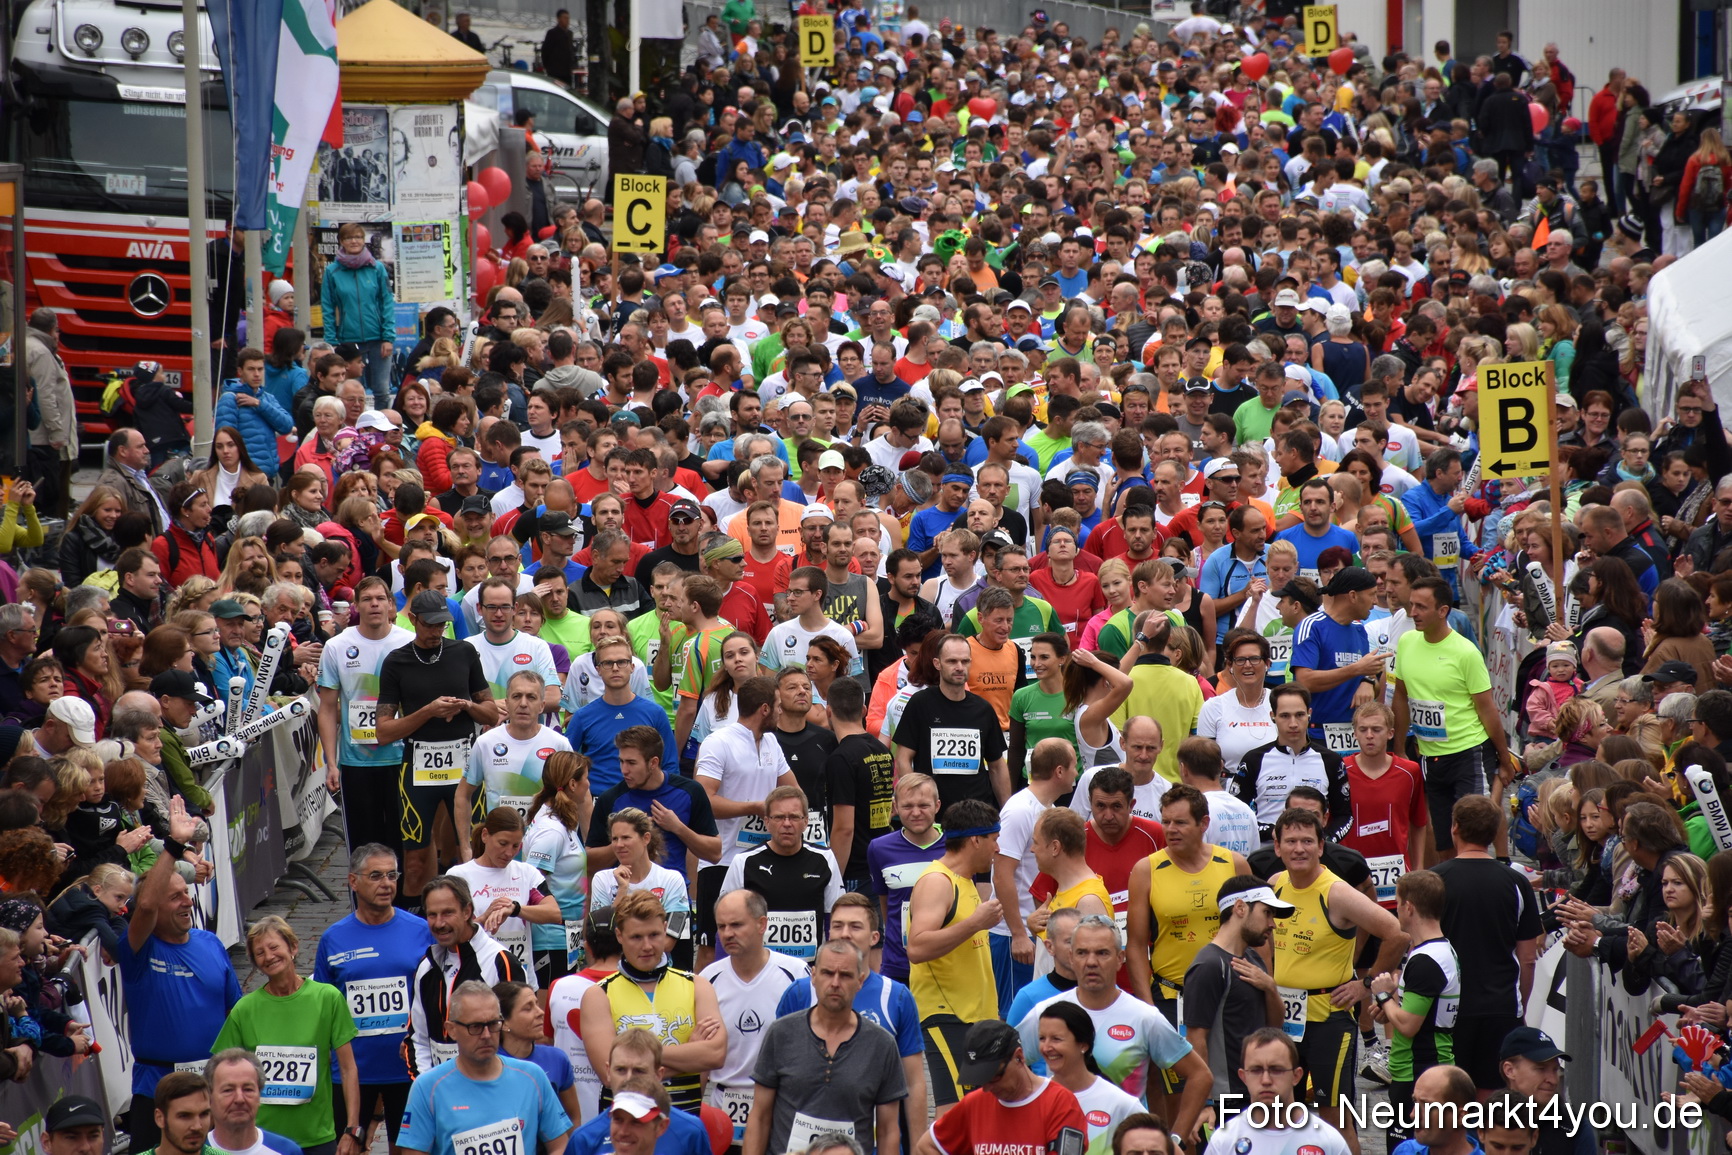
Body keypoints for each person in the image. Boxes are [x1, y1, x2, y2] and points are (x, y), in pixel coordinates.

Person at [1268, 804, 1408, 1148]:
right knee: (1281, 1114)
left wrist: (1365, 985)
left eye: (1306, 841)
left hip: (1328, 1020)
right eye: (1290, 842)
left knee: (1335, 1118)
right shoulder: (1275, 885)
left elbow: (1397, 933)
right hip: (1285, 1020)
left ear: (1320, 846)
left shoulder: (1336, 892)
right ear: (1277, 847)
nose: (1298, 849)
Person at [1015, 912, 1210, 1139]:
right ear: (1071, 956)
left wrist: (1176, 1141)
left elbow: (1201, 1076)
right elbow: (1007, 1066)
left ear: (1120, 958)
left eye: (1102, 953)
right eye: (1082, 952)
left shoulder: (1144, 1017)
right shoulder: (1045, 1013)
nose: (1091, 962)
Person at [121, 810, 242, 1152]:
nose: (188, 900)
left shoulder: (211, 944)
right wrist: (174, 845)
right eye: (174, 896)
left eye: (186, 892)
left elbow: (237, 1015)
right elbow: (144, 906)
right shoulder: (138, 951)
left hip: (211, 1089)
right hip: (156, 1089)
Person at [376, 591, 500, 902]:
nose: (436, 632)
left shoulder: (463, 652)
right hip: (418, 770)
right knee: (415, 862)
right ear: (413, 620)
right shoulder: (396, 661)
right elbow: (383, 732)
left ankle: (468, 919)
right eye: (429, 625)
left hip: (464, 768)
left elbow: (491, 713)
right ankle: (417, 929)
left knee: (468, 853)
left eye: (441, 625)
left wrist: (466, 706)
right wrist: (428, 711)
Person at [312, 843, 434, 1155]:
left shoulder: (421, 931)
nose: (387, 884)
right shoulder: (333, 938)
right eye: (376, 876)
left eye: (392, 875)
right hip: (354, 1073)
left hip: (408, 1070)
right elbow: (325, 1007)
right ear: (353, 881)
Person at [212, 916, 362, 1155]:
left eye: (274, 947)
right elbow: (218, 1072)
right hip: (261, 1141)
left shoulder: (328, 998)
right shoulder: (245, 1009)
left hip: (318, 1138)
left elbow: (348, 1068)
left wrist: (352, 1129)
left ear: (293, 947)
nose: (268, 956)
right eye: (259, 953)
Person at [1390, 577, 1517, 860]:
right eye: (1412, 605)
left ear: (1443, 611)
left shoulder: (1465, 653)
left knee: (1473, 832)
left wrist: (1504, 759)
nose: (1413, 613)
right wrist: (1399, 748)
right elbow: (1400, 695)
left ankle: (1499, 867)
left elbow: (1487, 709)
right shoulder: (1408, 641)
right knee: (1445, 840)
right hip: (1429, 756)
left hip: (1467, 752)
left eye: (1422, 607)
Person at [744, 939, 907, 1155]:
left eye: (845, 975)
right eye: (828, 973)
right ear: (813, 976)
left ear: (860, 981)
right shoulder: (781, 1033)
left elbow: (887, 1131)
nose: (835, 983)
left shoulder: (882, 1045)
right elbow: (760, 1116)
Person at [579, 888, 727, 1114]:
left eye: (654, 935)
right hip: (625, 1127)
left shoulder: (698, 986)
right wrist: (689, 1052)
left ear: (665, 929)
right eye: (636, 937)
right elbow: (609, 1074)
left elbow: (715, 1055)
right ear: (619, 936)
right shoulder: (598, 995)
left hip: (683, 1122)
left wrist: (632, 1061)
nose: (647, 946)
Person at [1433, 796, 1543, 1095]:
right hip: (1501, 1006)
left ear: (1454, 828)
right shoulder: (1516, 883)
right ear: (1496, 833)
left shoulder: (1435, 881)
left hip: (1447, 1006)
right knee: (1492, 1098)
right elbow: (1528, 958)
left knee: (1447, 1097)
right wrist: (1519, 1003)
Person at [906, 796, 1004, 1114]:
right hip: (948, 1016)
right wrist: (976, 922)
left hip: (973, 1017)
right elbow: (917, 947)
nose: (997, 848)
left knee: (975, 1115)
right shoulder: (937, 881)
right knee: (957, 1117)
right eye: (994, 839)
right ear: (976, 840)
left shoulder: (966, 881)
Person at [397, 981, 571, 1155]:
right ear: (452, 1030)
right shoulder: (427, 1088)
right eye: (476, 1027)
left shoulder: (533, 1077)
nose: (487, 1035)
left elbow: (560, 1145)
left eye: (493, 1024)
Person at [317, 577, 414, 862]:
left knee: (402, 840)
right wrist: (331, 763)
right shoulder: (337, 646)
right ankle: (363, 903)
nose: (374, 604)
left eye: (380, 598)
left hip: (401, 759)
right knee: (363, 844)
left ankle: (402, 903)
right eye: (367, 599)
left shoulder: (408, 643)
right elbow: (327, 707)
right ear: (357, 605)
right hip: (356, 762)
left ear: (391, 605)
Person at [699, 888, 807, 1140]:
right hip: (723, 1108)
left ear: (762, 924)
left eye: (736, 925)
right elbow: (701, 1057)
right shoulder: (707, 980)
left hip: (781, 1105)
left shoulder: (796, 973)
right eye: (721, 926)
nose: (727, 933)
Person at [405, 875, 528, 1076]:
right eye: (432, 915)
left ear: (467, 911)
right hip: (438, 1090)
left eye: (447, 913)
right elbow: (418, 1038)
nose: (439, 923)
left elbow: (518, 1037)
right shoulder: (426, 966)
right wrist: (427, 1088)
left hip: (488, 1089)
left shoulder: (500, 961)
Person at [1183, 876, 1288, 1109]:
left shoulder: (1251, 958)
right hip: (1224, 1099)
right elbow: (1195, 1039)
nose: (1272, 924)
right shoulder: (1209, 966)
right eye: (1267, 913)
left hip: (1255, 1092)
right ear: (1240, 908)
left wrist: (1270, 987)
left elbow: (1274, 1027)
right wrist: (1205, 1102)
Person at [1368, 870, 1460, 1130]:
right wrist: (1392, 1005)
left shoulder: (1426, 960)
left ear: (1409, 907)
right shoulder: (1440, 949)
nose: (1395, 909)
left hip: (1417, 1073)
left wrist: (1384, 994)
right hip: (1425, 1067)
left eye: (1397, 903)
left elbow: (1408, 1025)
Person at [911, 1019, 1087, 1155]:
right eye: (980, 1080)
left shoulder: (1061, 1104)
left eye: (994, 1076)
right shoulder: (975, 1103)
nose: (987, 1088)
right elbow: (927, 1146)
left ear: (1019, 1057)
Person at [717, 784, 844, 962]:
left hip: (809, 970)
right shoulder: (744, 862)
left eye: (793, 817)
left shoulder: (825, 859)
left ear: (806, 821)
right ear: (767, 822)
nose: (786, 824)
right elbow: (725, 922)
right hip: (760, 969)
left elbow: (835, 919)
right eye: (779, 817)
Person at [893, 632, 1010, 809]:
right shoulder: (920, 704)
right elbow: (903, 758)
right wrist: (917, 800)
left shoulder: (983, 709)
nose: (959, 667)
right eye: (952, 661)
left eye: (965, 661)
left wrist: (1006, 811)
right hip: (935, 814)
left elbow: (997, 766)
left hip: (977, 813)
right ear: (937, 664)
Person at [1201, 1029, 1353, 1155]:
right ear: (1243, 1076)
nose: (1266, 1080)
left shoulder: (1329, 1143)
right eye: (1256, 1070)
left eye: (1276, 1070)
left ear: (1296, 1076)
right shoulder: (1224, 1141)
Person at [866, 773, 947, 986]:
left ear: (937, 806)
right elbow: (886, 906)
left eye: (924, 805)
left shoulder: (956, 847)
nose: (916, 813)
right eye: (908, 806)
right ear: (895, 806)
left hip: (946, 964)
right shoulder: (879, 848)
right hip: (898, 966)